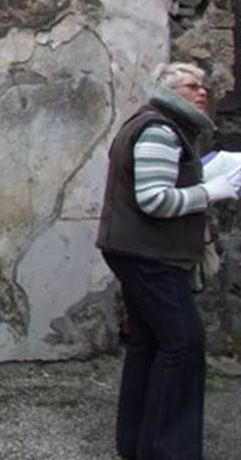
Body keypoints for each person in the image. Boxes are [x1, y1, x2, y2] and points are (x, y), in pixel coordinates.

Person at [96, 62, 241, 460]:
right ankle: (167, 449)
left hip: (140, 251)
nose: (203, 92)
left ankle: (139, 444)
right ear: (171, 91)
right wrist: (211, 191)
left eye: (204, 86)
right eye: (193, 86)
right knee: (183, 345)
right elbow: (154, 199)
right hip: (149, 255)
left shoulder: (162, 126)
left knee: (151, 342)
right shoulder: (160, 129)